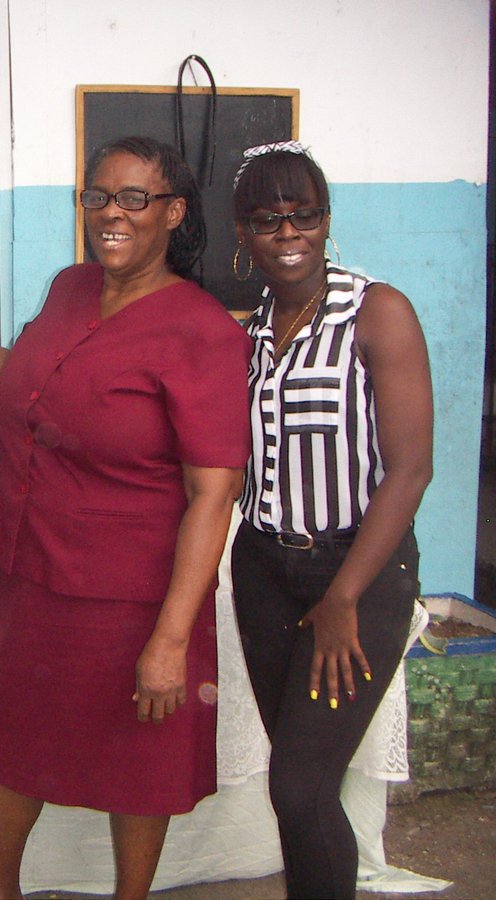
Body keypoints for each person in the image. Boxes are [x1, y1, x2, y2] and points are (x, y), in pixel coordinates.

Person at [0, 136, 252, 900]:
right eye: (97, 196)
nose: (110, 213)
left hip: (137, 595)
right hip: (35, 572)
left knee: (139, 761)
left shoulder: (203, 332)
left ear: (173, 213)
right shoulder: (70, 289)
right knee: (11, 744)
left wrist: (170, 639)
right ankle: (1, 890)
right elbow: (20, 377)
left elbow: (214, 492)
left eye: (134, 198)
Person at [229, 143, 433, 899]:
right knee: (300, 781)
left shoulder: (376, 311)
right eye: (267, 220)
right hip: (262, 570)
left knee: (299, 786)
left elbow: (411, 468)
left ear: (324, 220)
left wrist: (343, 596)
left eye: (303, 215)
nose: (288, 234)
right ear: (242, 235)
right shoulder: (250, 332)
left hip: (358, 573)